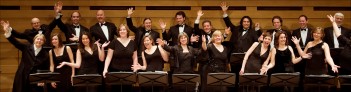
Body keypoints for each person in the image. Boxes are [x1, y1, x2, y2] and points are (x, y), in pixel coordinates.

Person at [1, 20, 50, 92]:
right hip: (22, 77)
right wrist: (8, 32)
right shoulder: (26, 48)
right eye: (38, 39)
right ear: (34, 40)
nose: (39, 41)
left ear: (43, 42)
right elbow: (15, 42)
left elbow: (45, 68)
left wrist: (42, 80)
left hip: (35, 80)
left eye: (41, 40)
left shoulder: (45, 54)